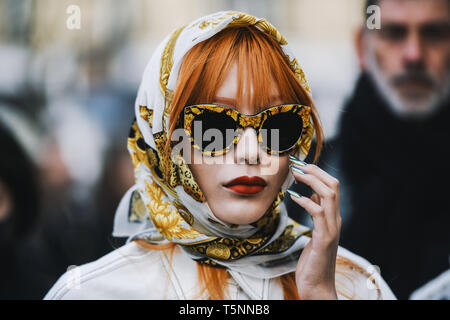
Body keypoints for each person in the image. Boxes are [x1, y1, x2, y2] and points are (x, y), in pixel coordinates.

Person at [44, 11, 395, 300]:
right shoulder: (94, 293)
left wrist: (320, 294)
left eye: (279, 124)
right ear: (167, 139)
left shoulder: (360, 286)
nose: (251, 153)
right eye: (214, 124)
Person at [297, 0, 449, 299]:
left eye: (434, 33)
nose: (413, 55)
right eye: (393, 33)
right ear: (361, 47)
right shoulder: (306, 175)